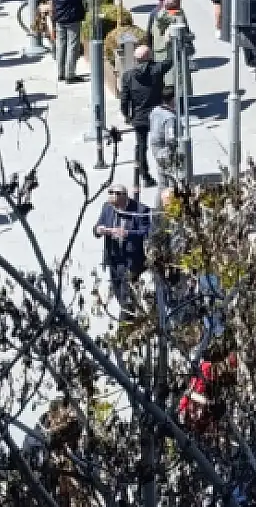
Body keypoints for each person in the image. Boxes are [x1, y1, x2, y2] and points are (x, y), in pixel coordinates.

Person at [94, 184, 151, 315]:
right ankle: (133, 319)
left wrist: (127, 233)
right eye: (114, 207)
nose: (116, 209)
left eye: (118, 206)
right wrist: (99, 230)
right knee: (119, 294)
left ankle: (126, 325)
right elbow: (97, 227)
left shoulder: (141, 210)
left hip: (131, 261)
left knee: (128, 299)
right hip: (114, 259)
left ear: (125, 198)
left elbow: (146, 232)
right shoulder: (107, 207)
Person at [119, 45, 168, 189]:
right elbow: (171, 60)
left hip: (139, 117)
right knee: (164, 144)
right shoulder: (157, 69)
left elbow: (124, 98)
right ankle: (165, 173)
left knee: (141, 146)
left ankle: (145, 176)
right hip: (157, 115)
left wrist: (127, 115)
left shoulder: (128, 76)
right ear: (150, 57)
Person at [48, 0, 86, 84]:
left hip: (59, 18)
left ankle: (61, 72)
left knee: (61, 45)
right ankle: (70, 75)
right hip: (72, 18)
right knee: (72, 46)